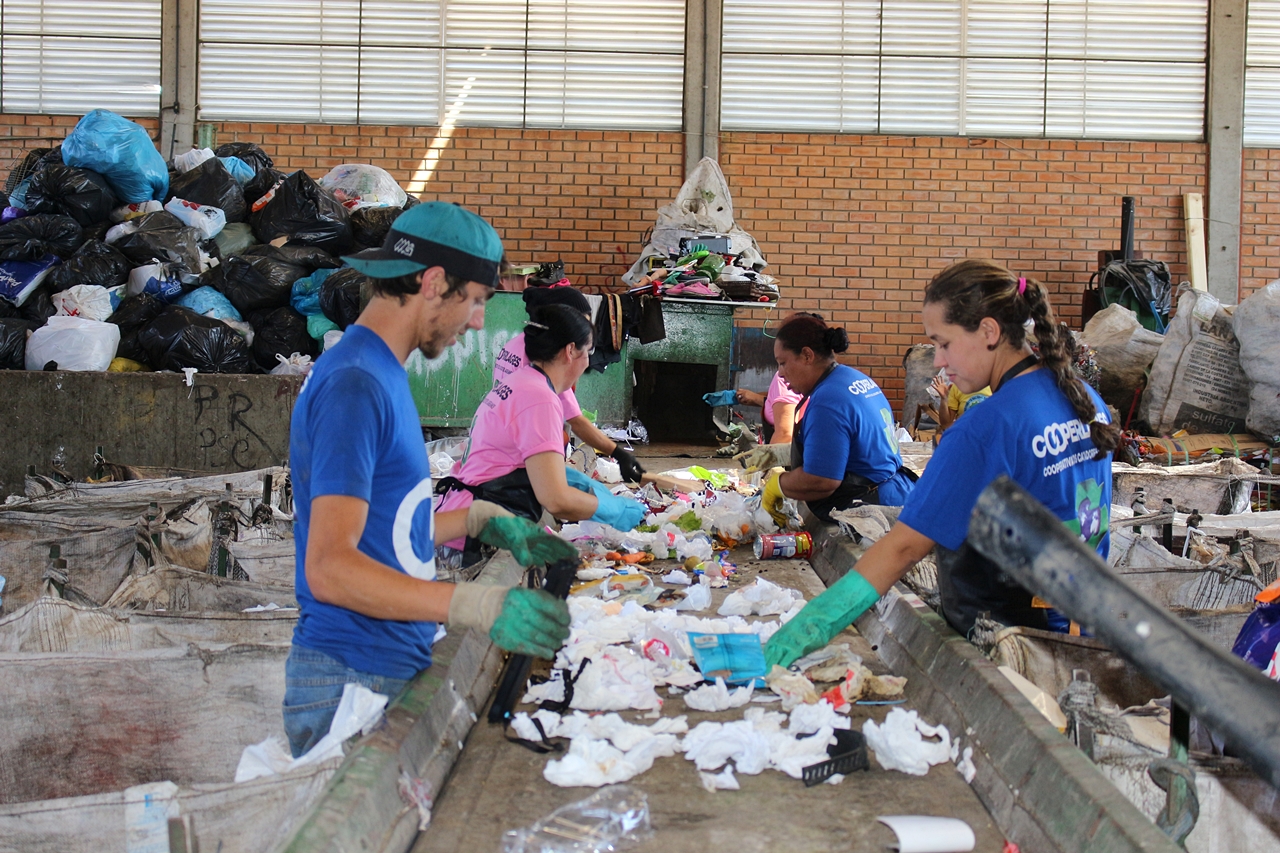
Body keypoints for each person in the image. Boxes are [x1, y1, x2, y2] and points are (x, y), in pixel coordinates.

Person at [284, 202, 577, 757]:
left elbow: (382, 532)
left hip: (380, 665)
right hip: (351, 680)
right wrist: (473, 605)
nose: (478, 323)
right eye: (476, 301)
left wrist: (473, 518)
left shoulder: (378, 370)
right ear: (434, 282)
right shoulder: (356, 384)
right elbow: (329, 568)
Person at [764, 260, 1119, 669]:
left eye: (944, 343)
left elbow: (901, 549)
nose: (937, 361)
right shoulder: (1082, 396)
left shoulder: (984, 427)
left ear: (988, 331)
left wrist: (807, 627)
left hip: (1011, 647)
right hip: (1083, 634)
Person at [436, 303, 647, 559]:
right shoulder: (540, 398)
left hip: (462, 517)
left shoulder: (522, 381)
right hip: (473, 537)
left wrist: (575, 480)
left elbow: (515, 462)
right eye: (587, 352)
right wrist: (612, 508)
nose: (588, 362)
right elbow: (555, 499)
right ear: (570, 351)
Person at [751, 313, 916, 527]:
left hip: (875, 509)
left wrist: (778, 485)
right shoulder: (854, 378)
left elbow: (822, 480)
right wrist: (783, 454)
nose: (780, 374)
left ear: (807, 355)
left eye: (783, 363)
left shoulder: (827, 400)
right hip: (899, 493)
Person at [494, 285, 646, 483]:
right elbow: (576, 421)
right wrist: (618, 453)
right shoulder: (545, 364)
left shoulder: (516, 344)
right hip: (517, 463)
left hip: (503, 447)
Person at [703, 371, 801, 444]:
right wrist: (749, 397)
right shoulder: (783, 376)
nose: (780, 369)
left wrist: (766, 464)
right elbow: (776, 397)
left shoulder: (785, 378)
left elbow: (785, 434)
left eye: (782, 362)